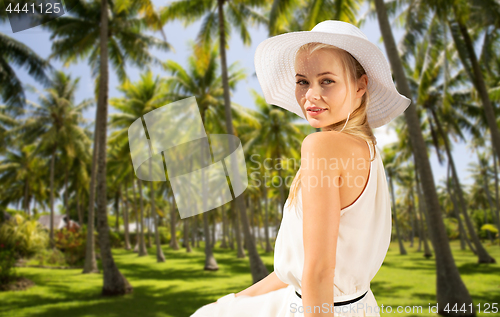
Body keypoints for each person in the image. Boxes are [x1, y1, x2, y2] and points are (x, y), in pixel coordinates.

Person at [190, 20, 411, 317]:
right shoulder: (368, 150)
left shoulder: (322, 146)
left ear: (361, 85)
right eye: (303, 81)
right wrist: (231, 301)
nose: (311, 95)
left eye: (327, 81)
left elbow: (319, 272)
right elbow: (294, 271)